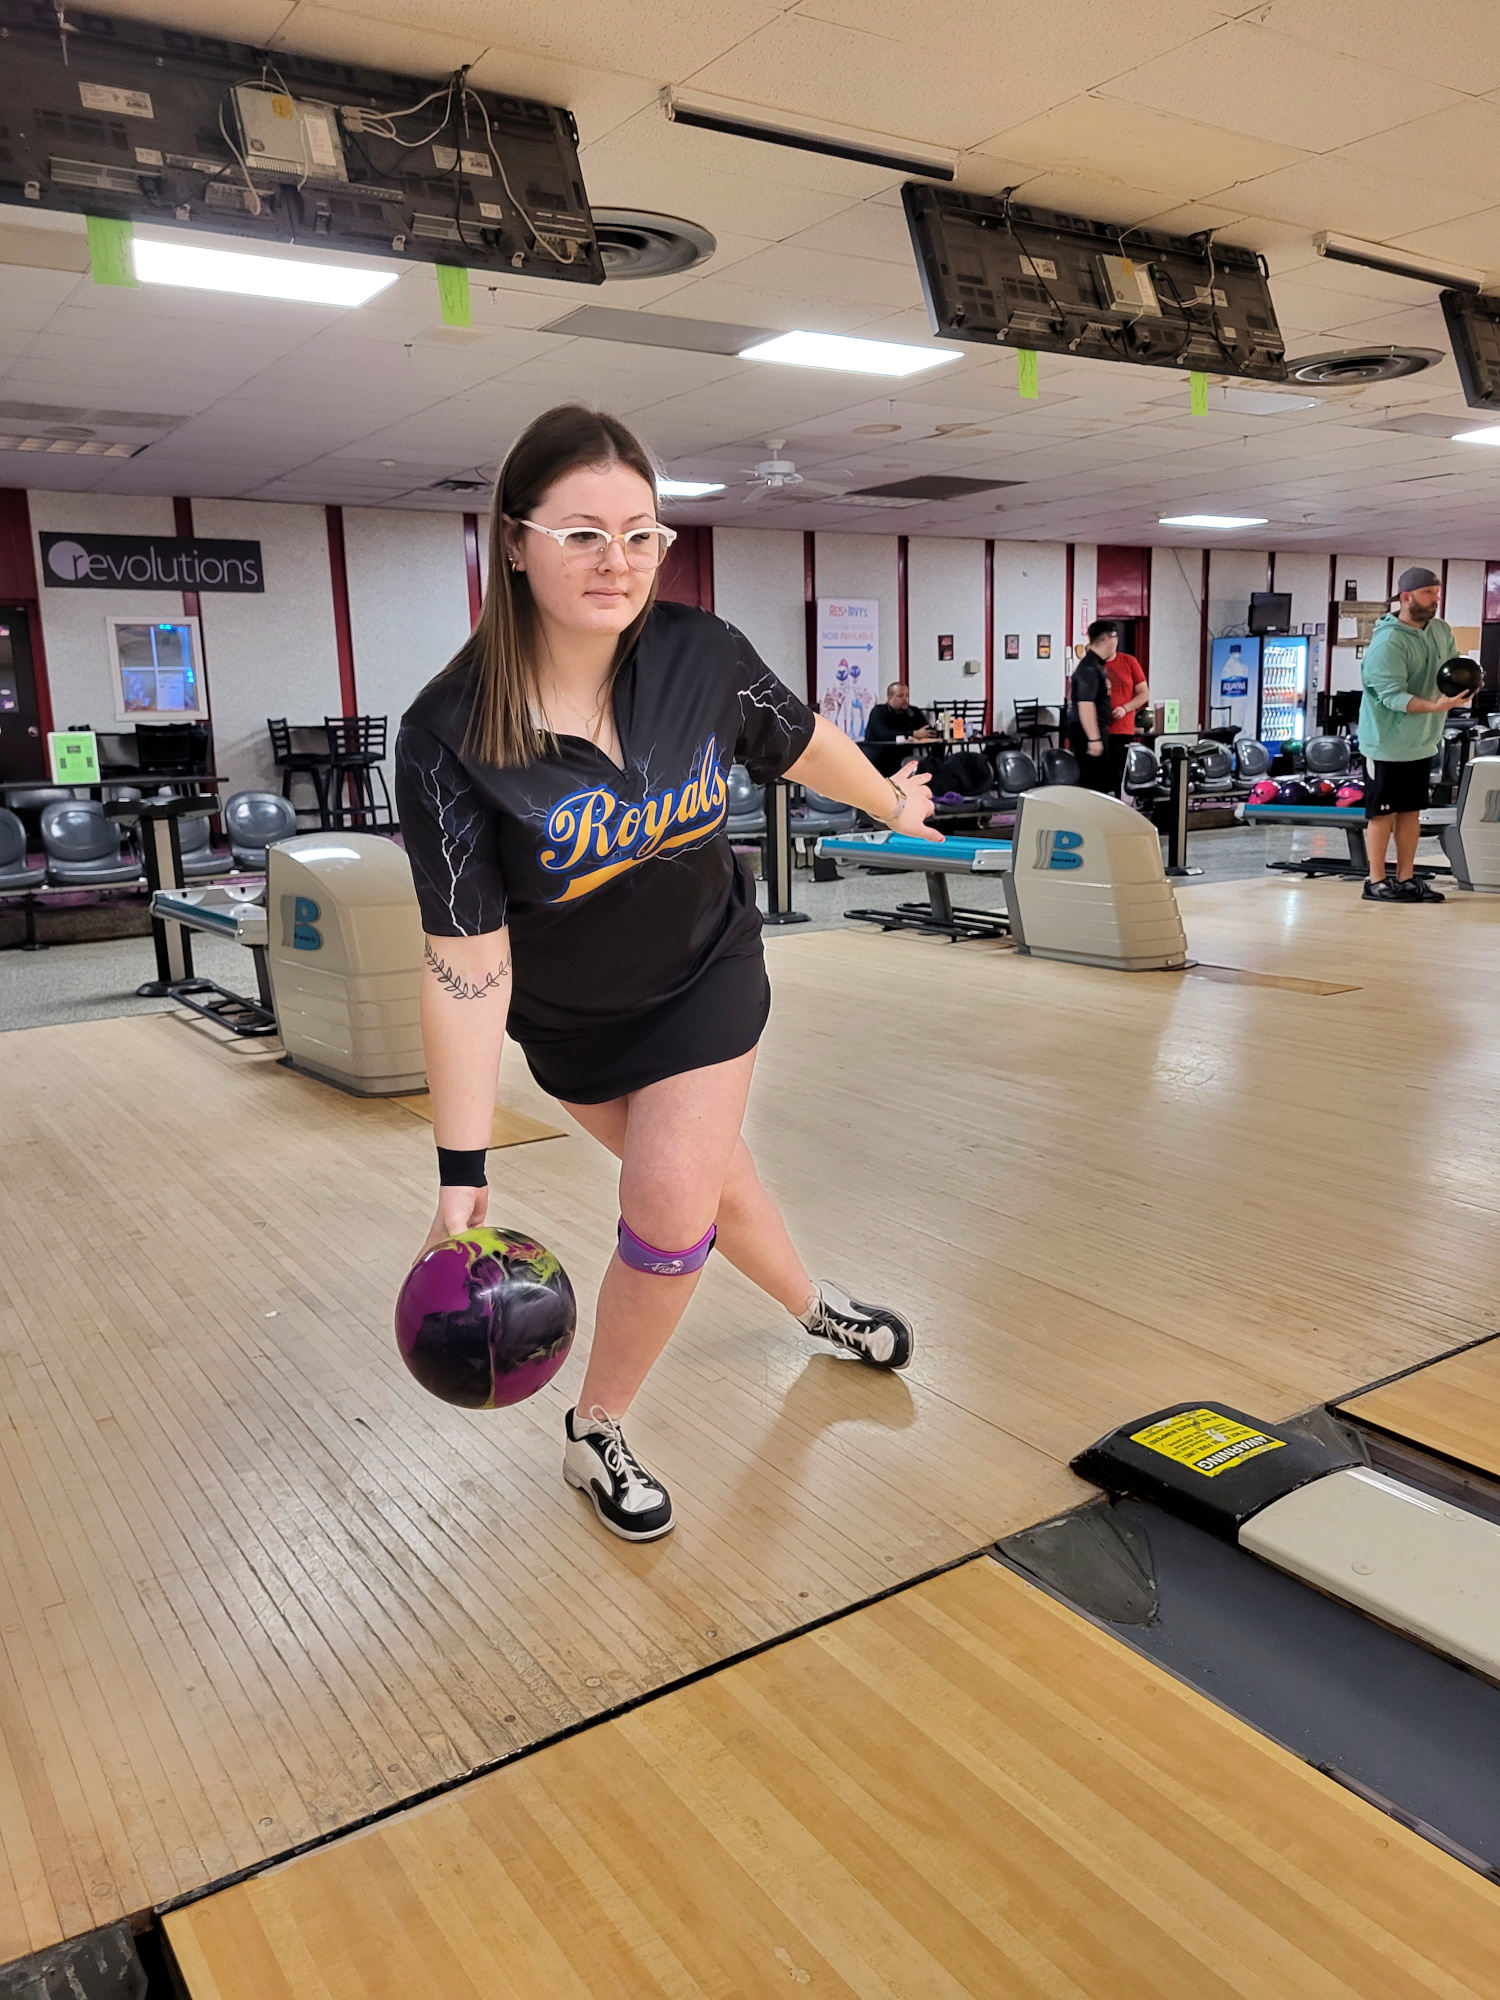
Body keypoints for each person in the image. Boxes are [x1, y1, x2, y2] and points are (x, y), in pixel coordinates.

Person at [394, 405, 937, 1544]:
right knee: (715, 1181)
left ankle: (595, 1426)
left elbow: (798, 738)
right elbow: (465, 970)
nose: (618, 562)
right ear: (513, 540)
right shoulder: (449, 732)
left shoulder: (703, 655)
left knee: (670, 1198)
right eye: (583, 532)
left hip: (707, 972)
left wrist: (892, 801)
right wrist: (461, 1170)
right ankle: (814, 1305)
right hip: (574, 1026)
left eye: (642, 534)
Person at [1359, 566, 1471, 904]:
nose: (1435, 599)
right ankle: (1376, 880)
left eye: (1437, 593)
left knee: (1410, 812)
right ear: (1406, 597)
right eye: (1428, 593)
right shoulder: (1388, 642)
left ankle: (1406, 879)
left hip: (1421, 742)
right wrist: (1436, 707)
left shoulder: (1439, 630)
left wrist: (1465, 687)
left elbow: (1451, 668)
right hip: (1387, 744)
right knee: (1383, 813)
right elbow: (1391, 696)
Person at [1067, 621, 1120, 791]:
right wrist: (1094, 739)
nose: (1116, 642)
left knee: (1101, 781)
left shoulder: (1095, 666)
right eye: (1115, 637)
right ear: (1106, 639)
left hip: (1094, 730)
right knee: (1094, 783)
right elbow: (1086, 705)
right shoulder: (1089, 669)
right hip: (1088, 733)